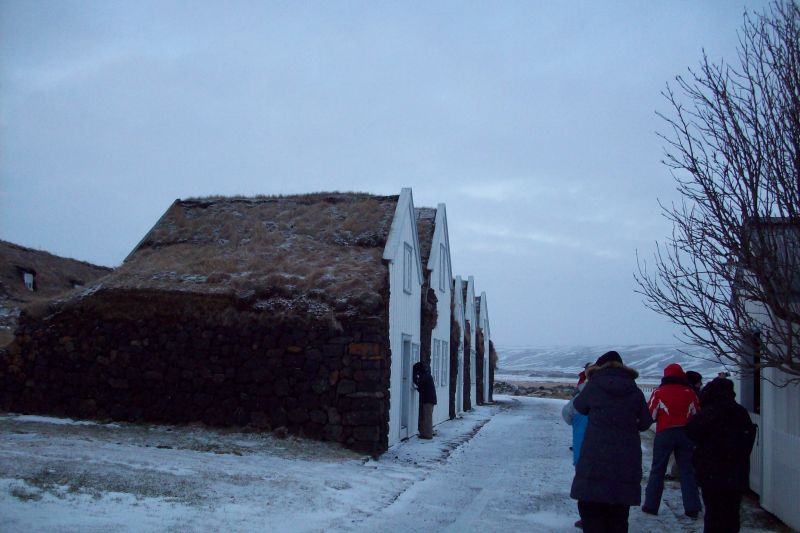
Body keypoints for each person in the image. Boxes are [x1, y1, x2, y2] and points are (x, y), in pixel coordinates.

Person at [570, 351, 652, 533]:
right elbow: (646, 422)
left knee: (592, 512)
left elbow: (579, 407)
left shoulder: (594, 385)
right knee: (618, 515)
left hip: (595, 457)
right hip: (625, 459)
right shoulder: (633, 389)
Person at [686, 377, 757, 533]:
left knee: (714, 514)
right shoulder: (740, 412)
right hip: (735, 473)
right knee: (731, 515)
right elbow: (747, 439)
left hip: (712, 473)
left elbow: (691, 430)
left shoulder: (710, 412)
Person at [642, 363, 702, 518]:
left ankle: (651, 505)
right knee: (687, 471)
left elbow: (651, 415)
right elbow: (697, 414)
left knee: (657, 470)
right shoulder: (689, 392)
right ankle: (692, 507)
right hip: (686, 433)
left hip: (665, 433)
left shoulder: (659, 392)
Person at [562, 362, 592, 529]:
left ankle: (588, 519)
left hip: (584, 446)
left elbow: (567, 414)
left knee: (586, 482)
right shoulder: (629, 391)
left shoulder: (585, 392)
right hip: (618, 450)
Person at [666, 371, 703, 480]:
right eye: (699, 382)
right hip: (690, 430)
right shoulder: (693, 394)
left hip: (671, 429)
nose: (701, 384)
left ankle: (677, 474)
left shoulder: (678, 392)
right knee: (686, 458)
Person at [412, 361, 437, 439]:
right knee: (425, 417)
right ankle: (424, 433)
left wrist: (414, 376)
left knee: (427, 417)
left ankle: (428, 435)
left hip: (428, 399)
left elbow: (419, 384)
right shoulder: (427, 374)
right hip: (429, 399)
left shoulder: (424, 376)